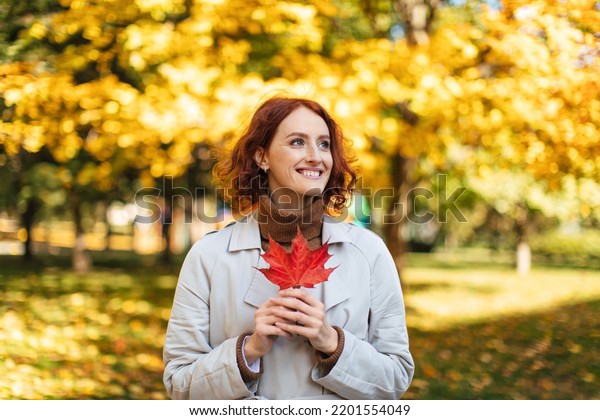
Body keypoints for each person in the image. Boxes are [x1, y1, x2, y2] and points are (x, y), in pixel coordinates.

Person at [163, 96, 414, 400]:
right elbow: (179, 385)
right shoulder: (209, 256)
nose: (315, 157)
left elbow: (395, 380)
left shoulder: (369, 252)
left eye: (324, 145)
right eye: (297, 142)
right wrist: (249, 350)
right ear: (262, 157)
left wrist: (331, 342)